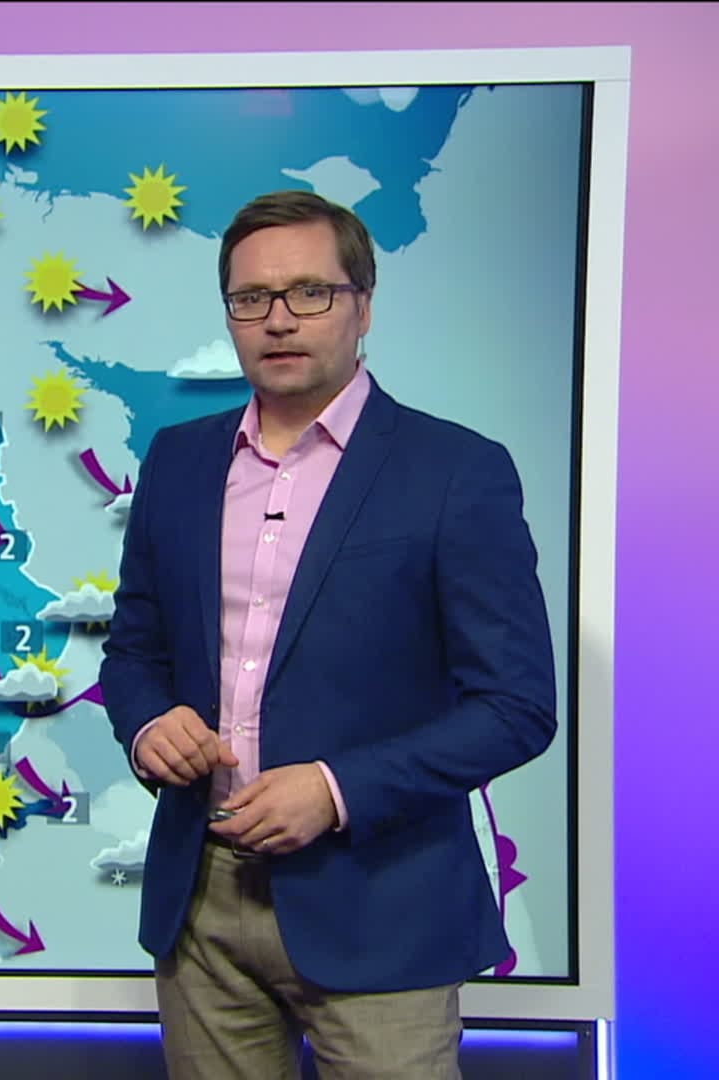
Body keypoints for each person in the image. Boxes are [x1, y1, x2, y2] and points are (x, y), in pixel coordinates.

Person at [98, 189, 557, 1079]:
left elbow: (515, 707)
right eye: (251, 298)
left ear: (363, 306)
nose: (278, 319)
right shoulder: (179, 460)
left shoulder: (456, 472)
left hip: (382, 902)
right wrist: (149, 722)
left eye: (310, 292)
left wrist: (337, 789)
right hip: (200, 902)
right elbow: (135, 649)